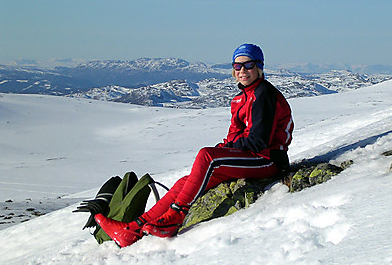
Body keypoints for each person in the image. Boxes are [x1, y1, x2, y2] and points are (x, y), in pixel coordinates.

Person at [94, 43, 294, 247]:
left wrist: (224, 150)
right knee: (185, 182)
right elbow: (235, 135)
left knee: (207, 156)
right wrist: (226, 147)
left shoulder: (264, 95)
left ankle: (176, 216)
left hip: (268, 160)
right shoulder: (241, 98)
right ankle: (132, 229)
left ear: (259, 67)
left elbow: (258, 141)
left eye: (248, 65)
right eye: (237, 66)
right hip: (252, 157)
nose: (242, 70)